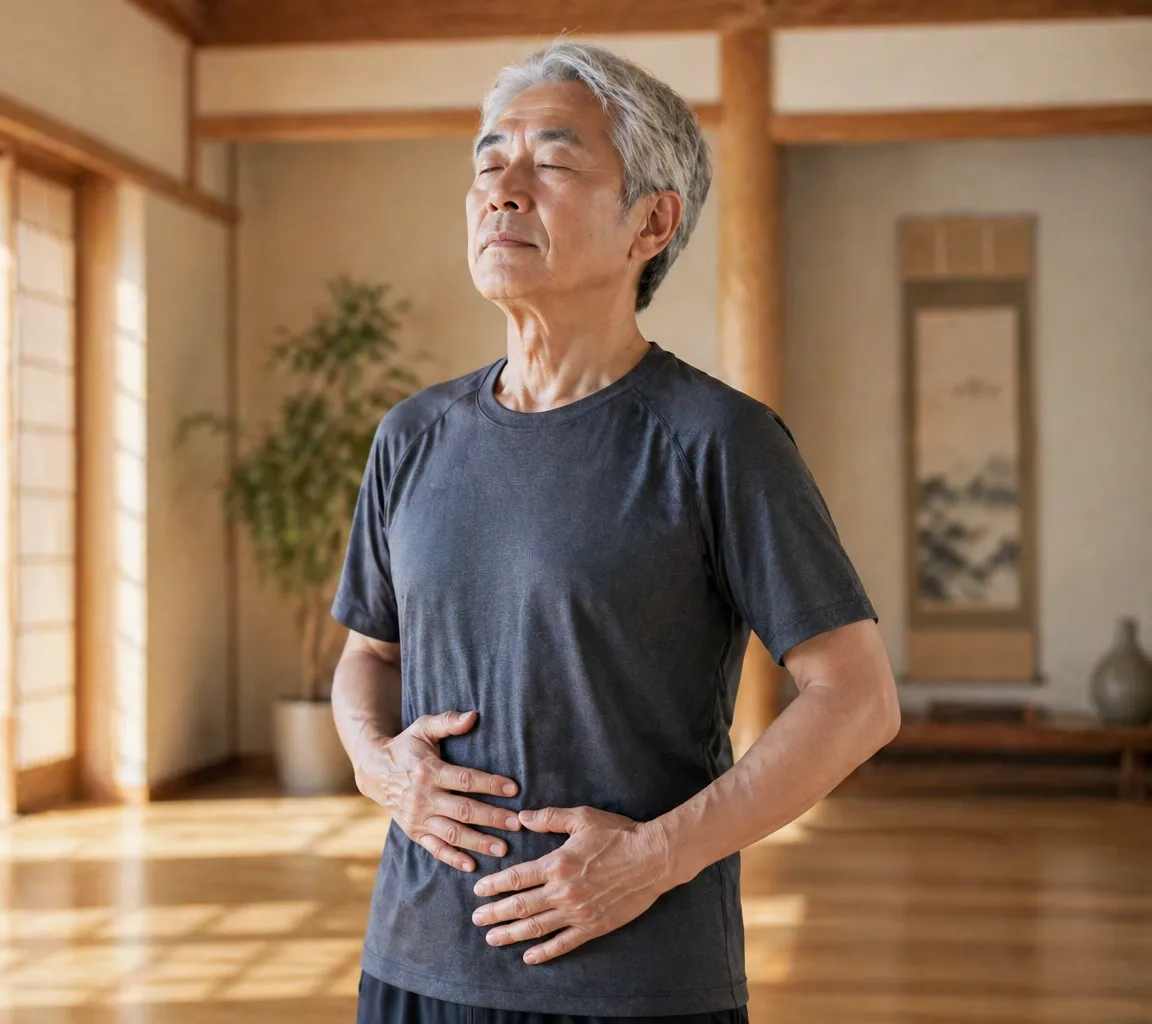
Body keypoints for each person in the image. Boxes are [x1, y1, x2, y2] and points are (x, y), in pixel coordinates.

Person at [329, 41, 901, 1024]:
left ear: (652, 220)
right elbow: (366, 658)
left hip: (636, 982)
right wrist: (377, 764)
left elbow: (856, 698)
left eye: (551, 161)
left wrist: (653, 858)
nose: (501, 188)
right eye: (486, 159)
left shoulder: (718, 440)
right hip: (414, 965)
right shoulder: (413, 435)